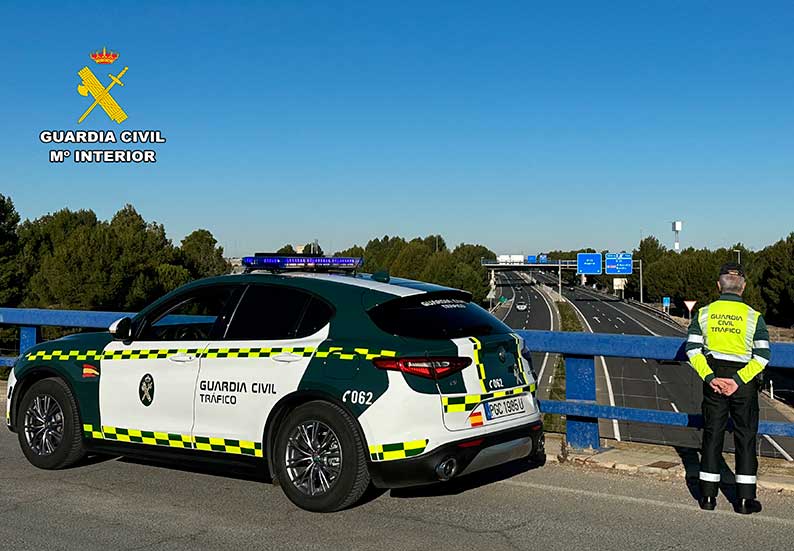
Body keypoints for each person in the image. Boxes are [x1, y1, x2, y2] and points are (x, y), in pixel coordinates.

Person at [685, 263, 770, 514]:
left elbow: (692, 350)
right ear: (743, 287)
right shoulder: (754, 317)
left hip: (714, 382)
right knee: (745, 438)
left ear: (718, 286)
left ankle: (708, 497)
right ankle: (744, 500)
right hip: (742, 384)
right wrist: (738, 380)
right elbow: (763, 355)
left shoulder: (703, 314)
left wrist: (711, 377)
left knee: (712, 437)